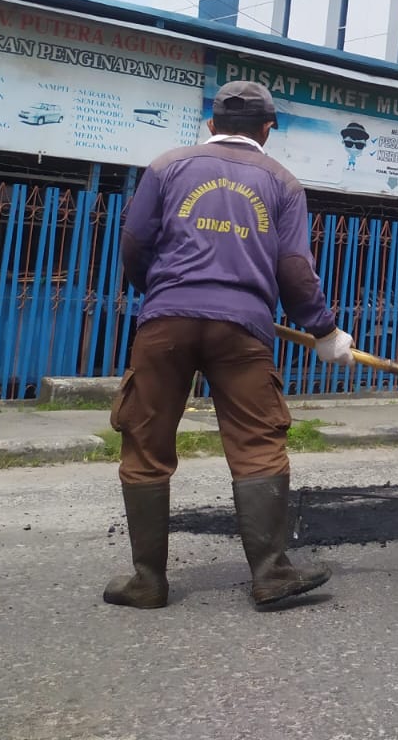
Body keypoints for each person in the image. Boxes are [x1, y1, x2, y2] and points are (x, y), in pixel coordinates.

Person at [104, 81, 357, 610]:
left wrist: (158, 291)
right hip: (243, 328)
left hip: (165, 322)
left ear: (213, 125)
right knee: (257, 443)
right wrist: (324, 330)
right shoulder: (283, 182)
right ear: (268, 130)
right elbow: (293, 267)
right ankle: (270, 573)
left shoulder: (166, 166)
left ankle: (147, 581)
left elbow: (134, 241)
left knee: (145, 444)